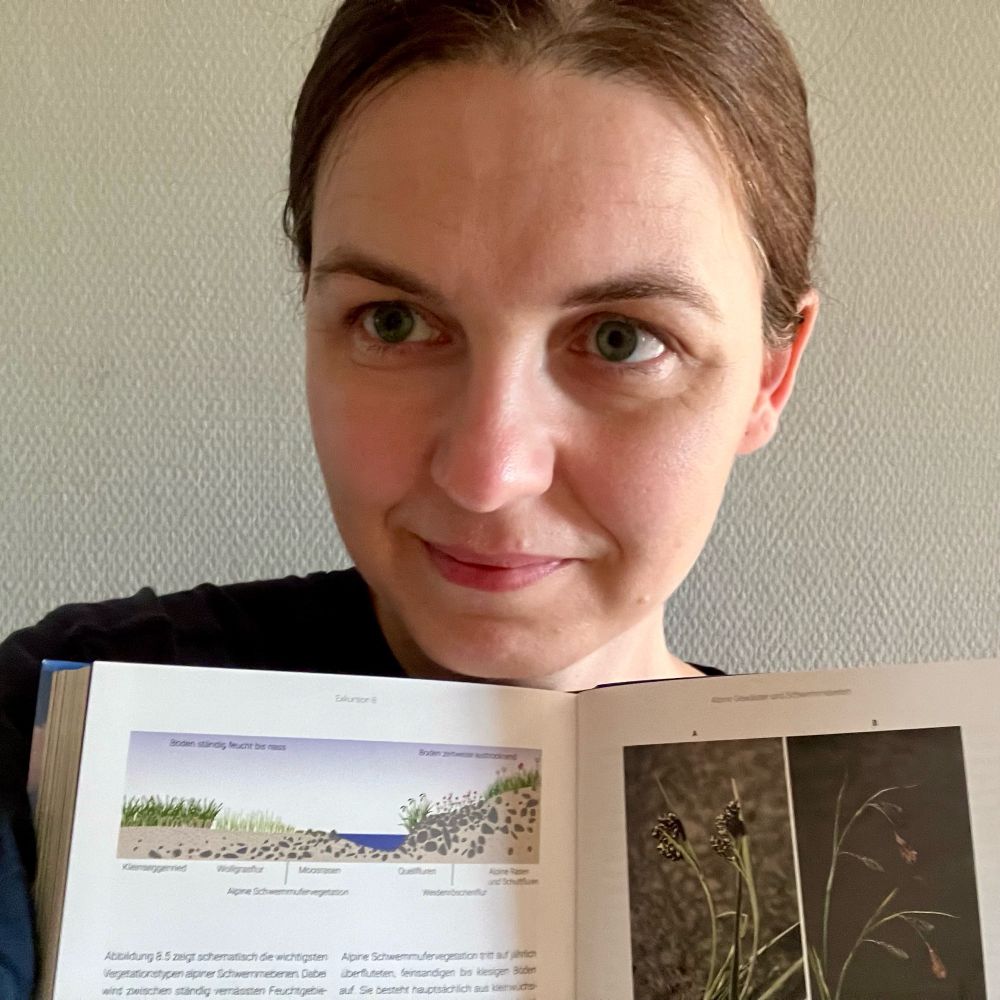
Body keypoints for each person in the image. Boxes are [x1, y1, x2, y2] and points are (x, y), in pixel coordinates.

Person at [0, 0, 817, 993]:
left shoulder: (857, 830)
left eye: (620, 338)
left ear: (770, 378)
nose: (487, 470)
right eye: (393, 321)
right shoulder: (47, 735)